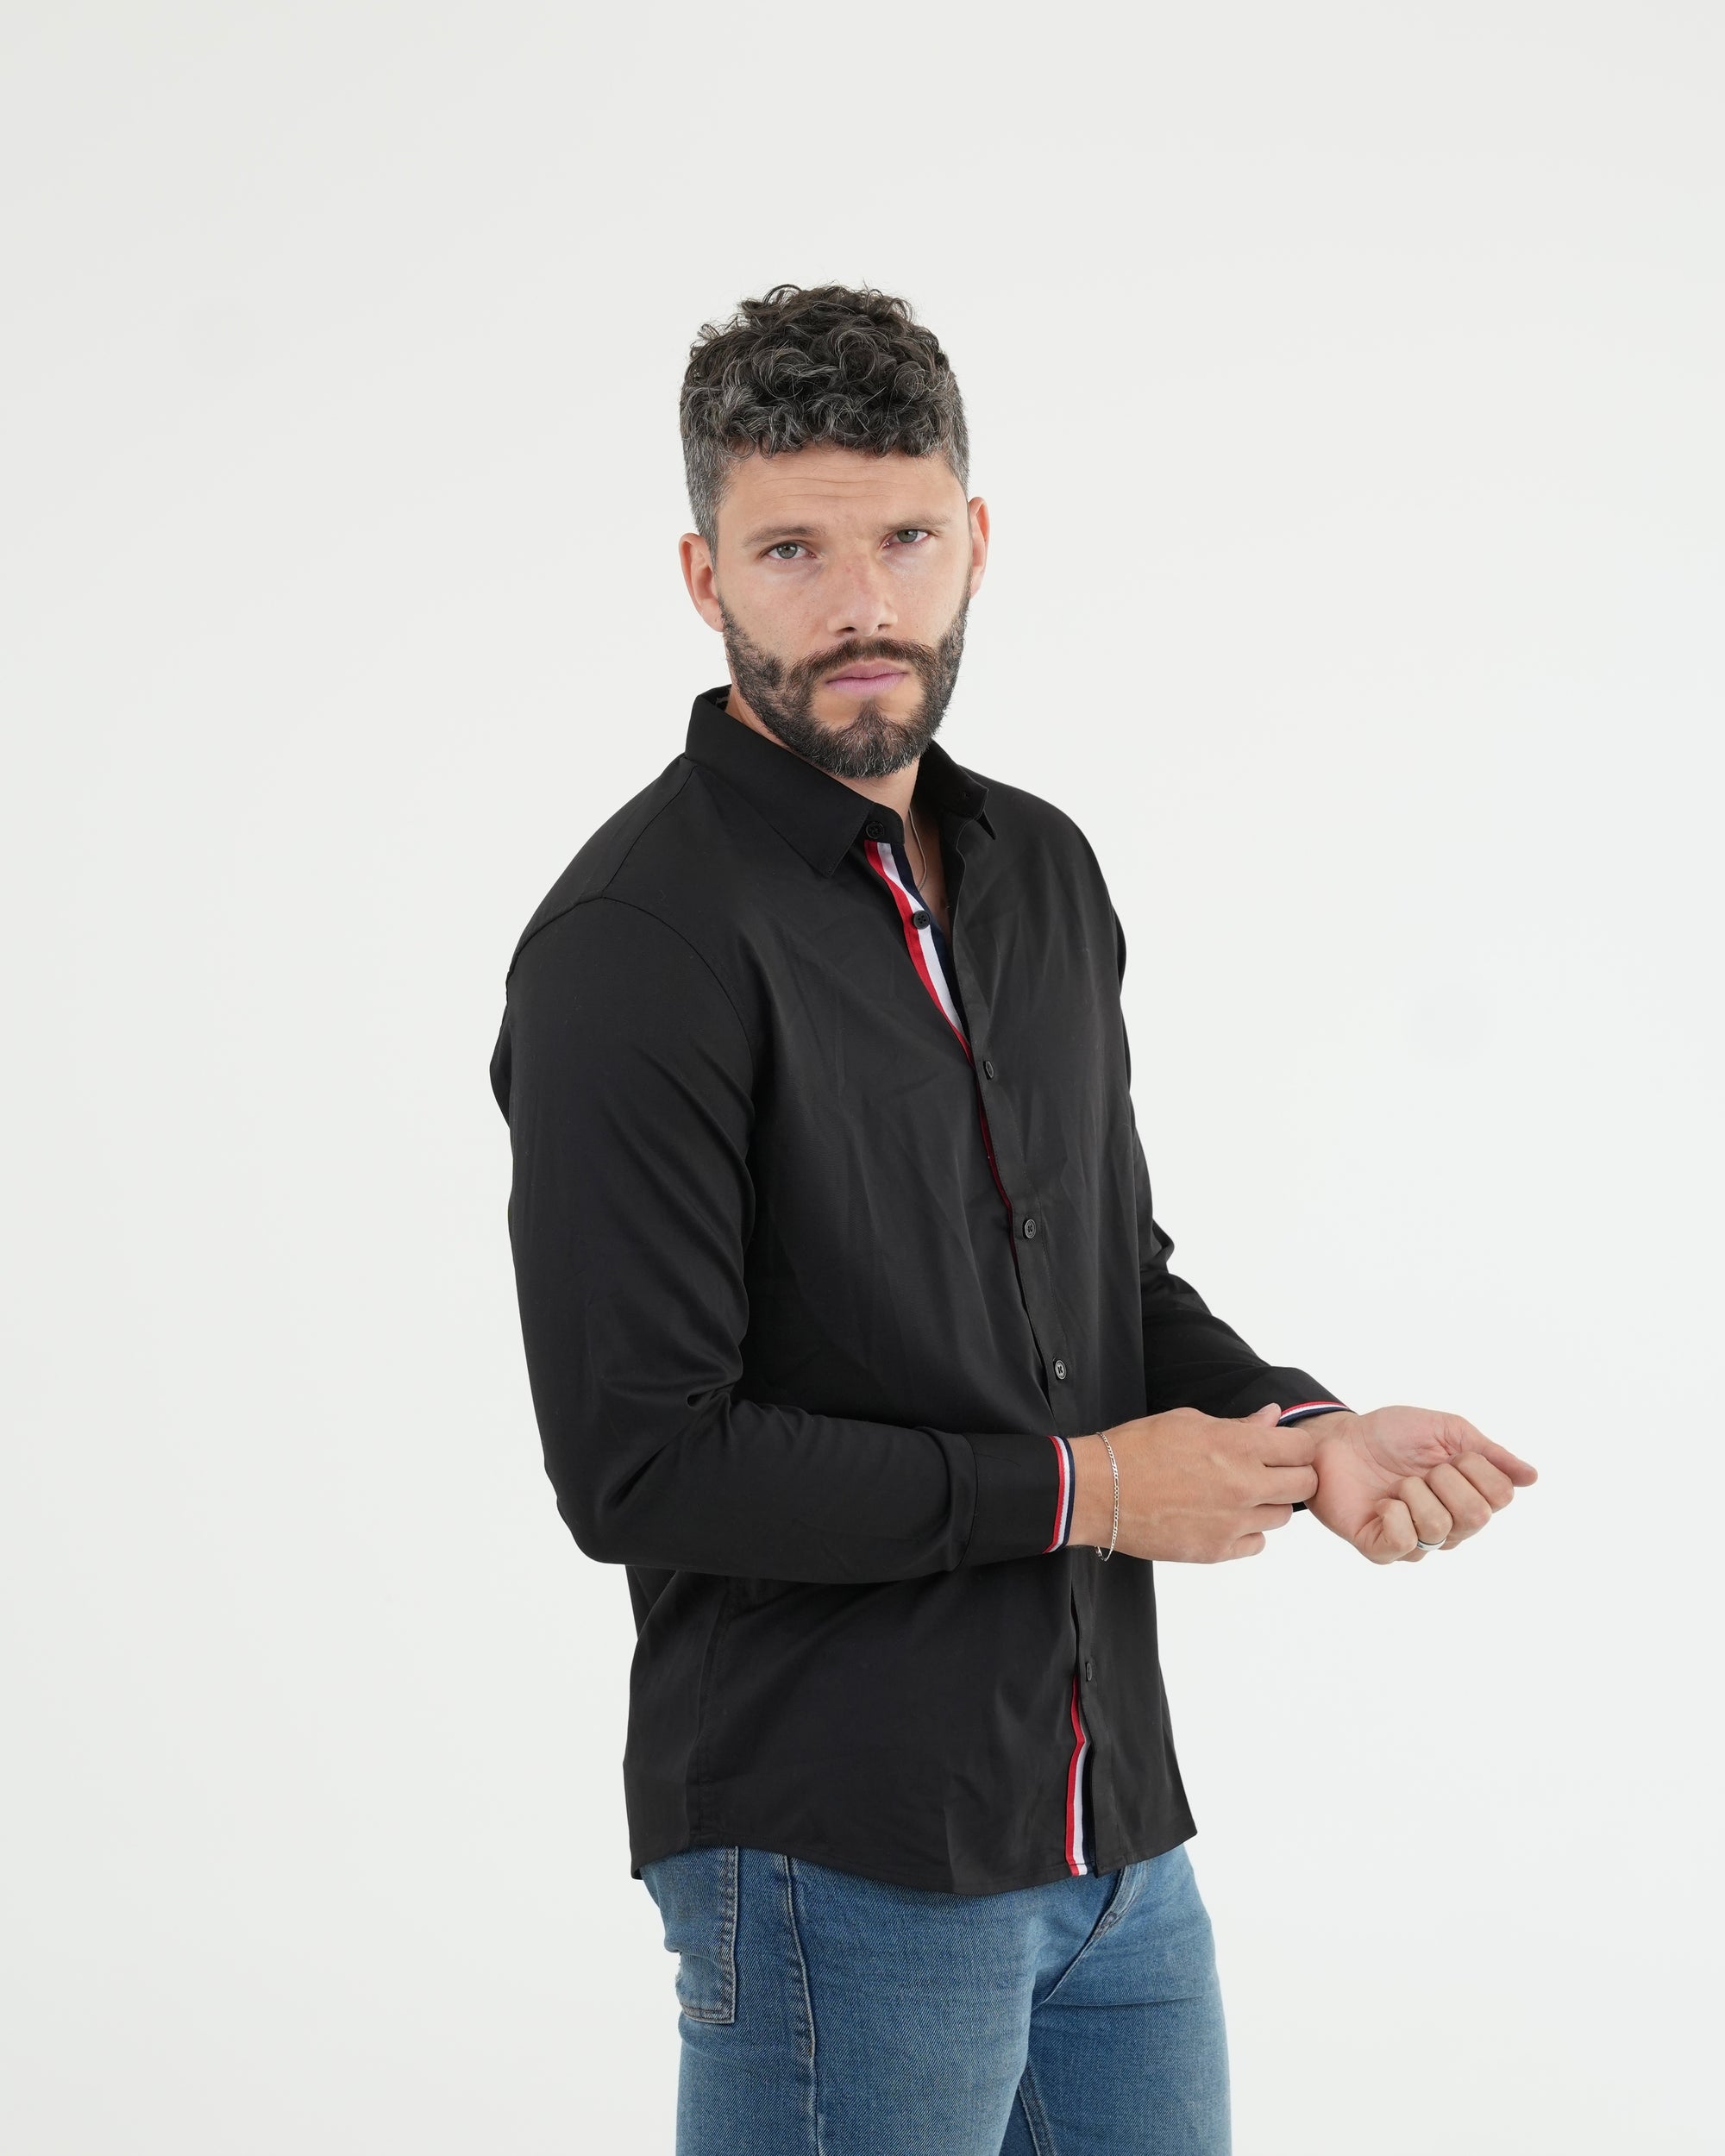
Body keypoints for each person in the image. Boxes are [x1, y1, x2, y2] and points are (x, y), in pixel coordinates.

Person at [488, 284, 1537, 2156]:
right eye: (791, 550)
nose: (861, 603)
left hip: (1112, 1843)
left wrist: (1308, 1428)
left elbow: (1102, 1279)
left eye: (903, 537)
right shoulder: (634, 946)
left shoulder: (1041, 870)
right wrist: (1091, 1492)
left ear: (974, 537)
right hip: (836, 1859)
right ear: (703, 573)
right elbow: (641, 1464)